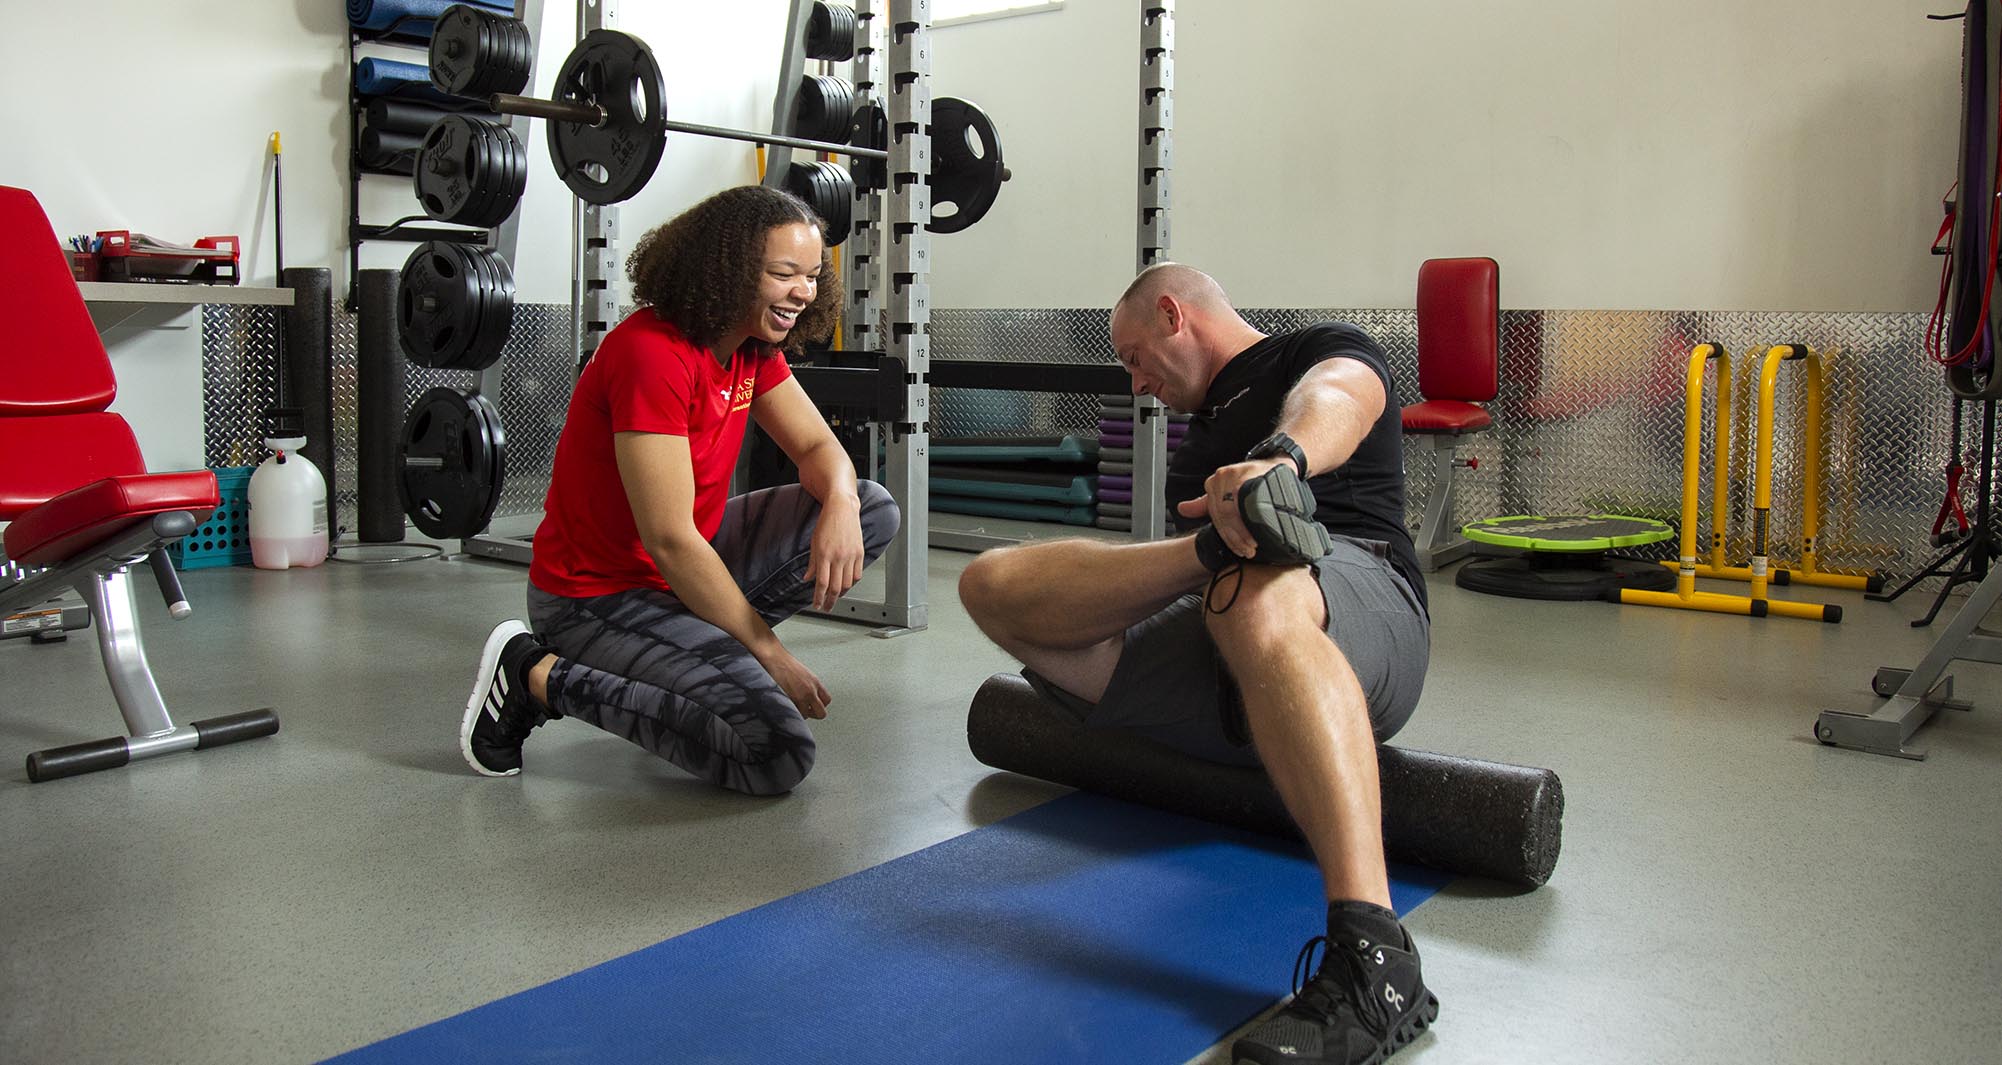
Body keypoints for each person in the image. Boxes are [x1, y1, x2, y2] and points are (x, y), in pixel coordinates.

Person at [958, 263, 1435, 1064]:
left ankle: (1375, 964)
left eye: (1135, 357)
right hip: (1226, 624)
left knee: (1254, 588)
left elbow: (1345, 395)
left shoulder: (1312, 352)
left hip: (1362, 599)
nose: (1137, 383)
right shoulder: (1194, 447)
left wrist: (1281, 464)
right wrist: (1216, 542)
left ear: (1176, 314)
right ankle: (1225, 552)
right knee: (990, 581)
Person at [458, 185, 899, 796]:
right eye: (783, 274)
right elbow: (668, 538)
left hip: (684, 570)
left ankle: (696, 659)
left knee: (874, 506)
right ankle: (536, 674)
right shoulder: (652, 354)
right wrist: (770, 655)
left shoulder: (751, 349)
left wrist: (843, 504)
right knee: (774, 753)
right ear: (728, 270)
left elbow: (820, 450)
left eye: (811, 275)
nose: (805, 291)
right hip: (595, 599)